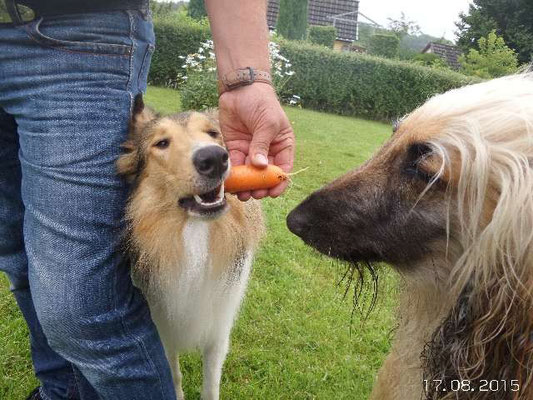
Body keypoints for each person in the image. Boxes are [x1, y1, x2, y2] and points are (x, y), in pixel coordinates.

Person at [0, 0, 294, 399]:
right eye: (161, 142)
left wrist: (248, 79)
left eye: (212, 136)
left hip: (75, 35)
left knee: (79, 303)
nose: (207, 150)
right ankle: (62, 390)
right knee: (17, 253)